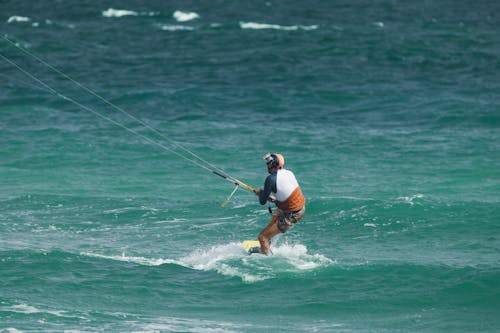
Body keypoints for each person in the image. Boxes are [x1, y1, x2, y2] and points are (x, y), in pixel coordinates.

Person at [251, 153, 306, 255]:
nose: (267, 165)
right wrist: (275, 200)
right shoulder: (289, 173)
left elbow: (262, 202)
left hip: (292, 214)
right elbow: (287, 193)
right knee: (274, 219)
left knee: (262, 237)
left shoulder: (270, 179)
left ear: (273, 164)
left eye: (269, 163)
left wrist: (260, 193)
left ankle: (265, 257)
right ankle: (266, 248)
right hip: (298, 208)